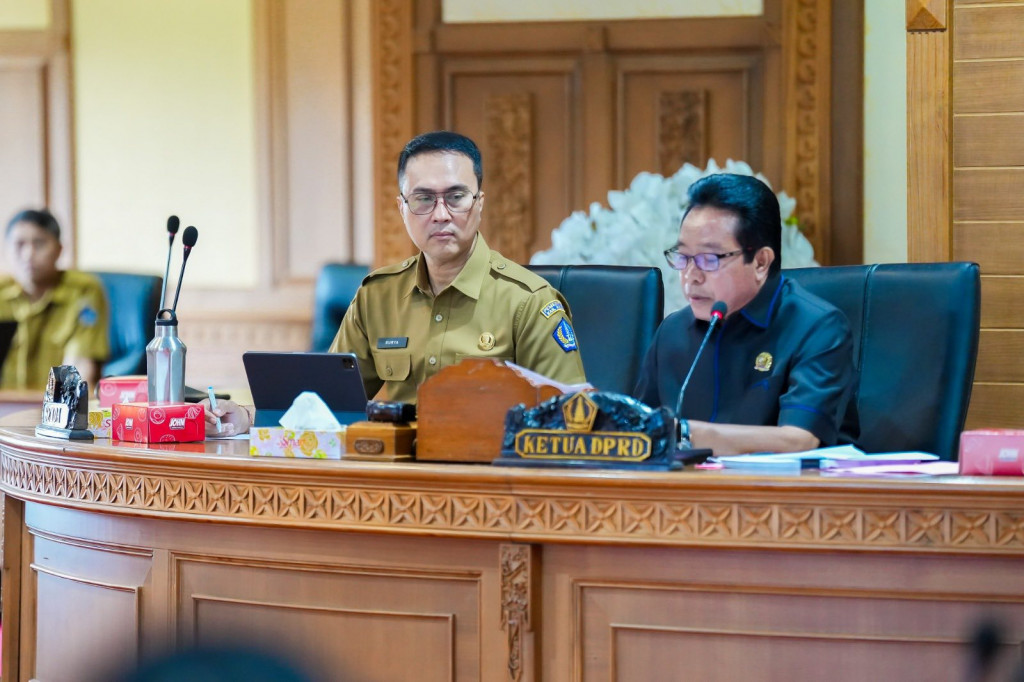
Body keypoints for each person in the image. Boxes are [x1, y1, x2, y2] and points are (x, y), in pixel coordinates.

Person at [205, 131, 585, 435]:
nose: (440, 214)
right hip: (393, 481)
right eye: (423, 199)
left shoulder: (529, 302)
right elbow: (323, 405)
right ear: (402, 207)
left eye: (456, 197)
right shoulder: (378, 296)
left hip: (490, 486)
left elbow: (571, 419)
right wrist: (247, 417)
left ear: (479, 203)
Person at [633, 173, 856, 456]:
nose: (691, 276)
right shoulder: (672, 332)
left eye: (708, 259)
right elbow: (639, 435)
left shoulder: (817, 328)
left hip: (786, 496)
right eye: (684, 256)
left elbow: (801, 440)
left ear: (761, 262)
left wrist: (687, 433)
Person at [0, 208, 109, 390]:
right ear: (6, 250)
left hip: (58, 408)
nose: (28, 254)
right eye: (19, 244)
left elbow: (80, 366)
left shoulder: (84, 291)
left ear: (59, 250)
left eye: (40, 243)